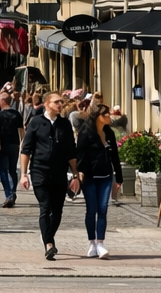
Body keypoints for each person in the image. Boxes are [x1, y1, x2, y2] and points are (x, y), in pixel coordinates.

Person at [20, 89, 79, 260]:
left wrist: (75, 175)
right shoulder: (36, 122)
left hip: (59, 172)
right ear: (47, 104)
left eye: (61, 102)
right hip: (40, 171)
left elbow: (71, 152)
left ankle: (47, 235)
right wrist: (24, 174)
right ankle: (49, 244)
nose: (60, 105)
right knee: (45, 207)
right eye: (57, 102)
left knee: (58, 211)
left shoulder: (65, 124)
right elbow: (26, 150)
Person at [75, 100, 123, 257]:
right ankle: (92, 243)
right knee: (91, 210)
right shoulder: (86, 132)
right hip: (89, 177)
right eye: (105, 114)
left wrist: (119, 178)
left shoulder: (109, 133)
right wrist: (78, 174)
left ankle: (101, 243)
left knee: (102, 210)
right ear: (97, 116)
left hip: (106, 176)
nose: (109, 116)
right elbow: (80, 156)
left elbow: (115, 156)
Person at [0, 90, 24, 208]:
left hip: (2, 145)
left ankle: (9, 195)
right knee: (12, 169)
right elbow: (22, 131)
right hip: (14, 145)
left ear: (2, 101)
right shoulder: (17, 114)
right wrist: (21, 144)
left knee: (3, 171)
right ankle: (13, 192)